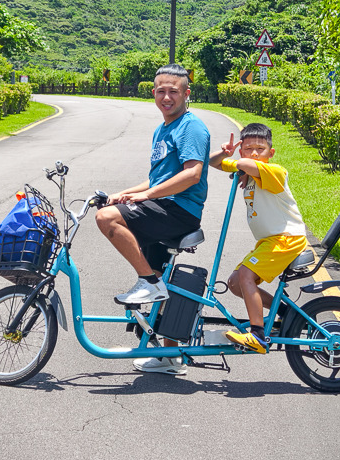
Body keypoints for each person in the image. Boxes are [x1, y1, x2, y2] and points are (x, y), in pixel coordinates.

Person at [96, 64, 211, 374]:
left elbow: (191, 173)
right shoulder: (163, 129)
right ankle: (169, 357)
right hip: (163, 207)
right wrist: (124, 193)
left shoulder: (191, 126)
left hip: (178, 211)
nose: (166, 96)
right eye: (161, 90)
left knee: (107, 219)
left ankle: (149, 281)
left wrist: (144, 198)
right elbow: (156, 180)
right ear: (153, 93)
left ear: (187, 94)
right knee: (162, 283)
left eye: (174, 91)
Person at [209, 122, 308, 353]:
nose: (254, 153)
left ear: (270, 153)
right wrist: (225, 153)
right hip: (269, 242)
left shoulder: (275, 172)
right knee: (235, 283)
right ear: (241, 149)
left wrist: (241, 164)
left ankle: (258, 335)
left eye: (260, 149)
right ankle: (286, 313)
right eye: (249, 148)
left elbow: (243, 164)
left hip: (287, 239)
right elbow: (212, 163)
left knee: (246, 275)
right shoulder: (250, 172)